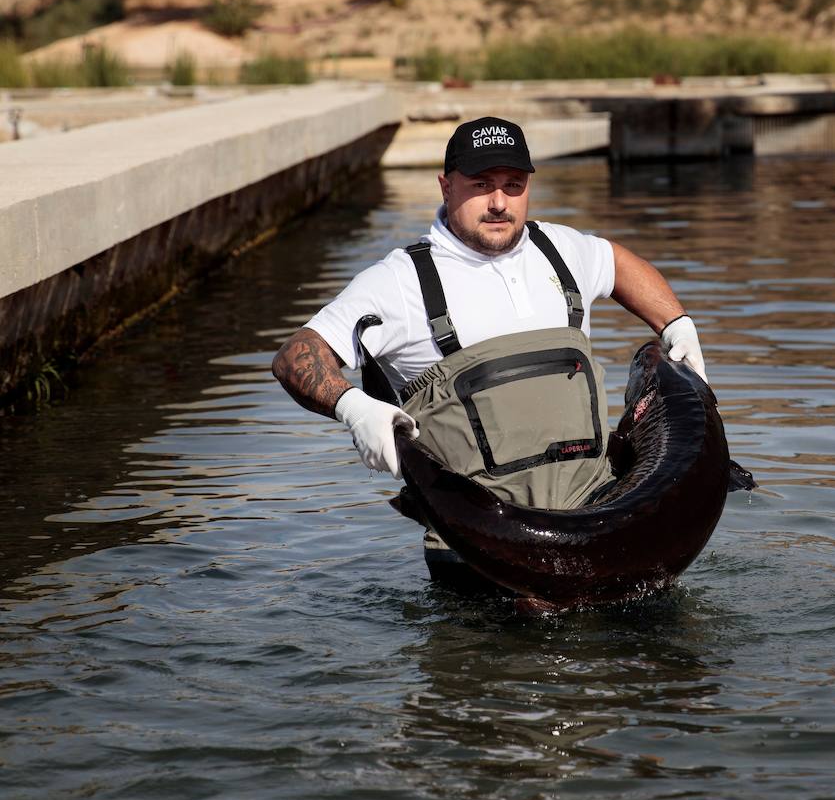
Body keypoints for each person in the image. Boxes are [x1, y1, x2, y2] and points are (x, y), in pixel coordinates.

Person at [272, 116, 706, 518]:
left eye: (513, 185)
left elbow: (618, 264)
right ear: (446, 186)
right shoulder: (399, 281)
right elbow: (296, 355)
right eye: (481, 184)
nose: (499, 202)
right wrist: (355, 408)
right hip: (483, 552)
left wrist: (676, 326)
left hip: (598, 516)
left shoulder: (561, 249)